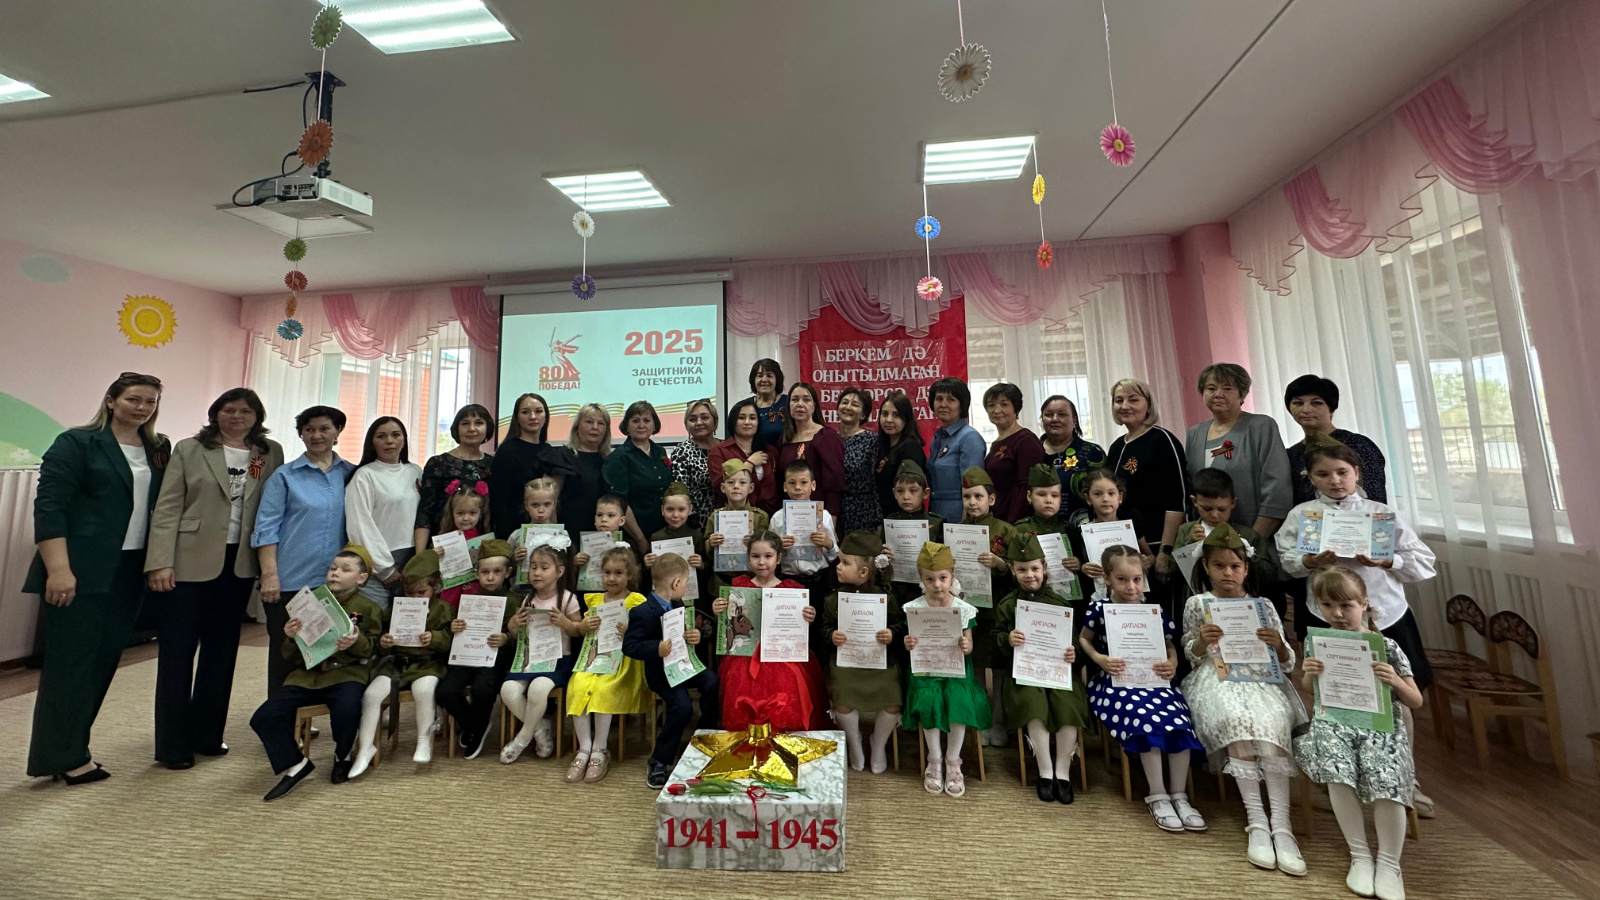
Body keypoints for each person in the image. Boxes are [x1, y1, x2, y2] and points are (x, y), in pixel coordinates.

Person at [25, 372, 169, 784]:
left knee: (103, 662)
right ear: (111, 400)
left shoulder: (158, 448)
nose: (142, 408)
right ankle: (63, 757)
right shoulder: (76, 442)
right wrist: (58, 570)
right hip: (78, 569)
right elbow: (50, 508)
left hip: (130, 569)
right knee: (70, 665)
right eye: (134, 399)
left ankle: (71, 751)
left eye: (150, 402)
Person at [145, 387, 283, 770]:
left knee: (221, 653)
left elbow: (273, 507)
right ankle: (172, 745)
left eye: (245, 411)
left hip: (239, 564)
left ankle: (207, 734)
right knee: (177, 653)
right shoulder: (190, 449)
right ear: (215, 414)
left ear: (257, 417)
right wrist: (160, 562)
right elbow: (167, 507)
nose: (236, 416)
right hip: (187, 562)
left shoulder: (269, 453)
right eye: (229, 409)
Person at [1179, 525, 1308, 875]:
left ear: (1246, 568)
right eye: (1219, 566)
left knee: (1270, 724)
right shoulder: (1198, 604)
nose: (1228, 573)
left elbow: (1287, 662)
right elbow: (1191, 655)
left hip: (1261, 679)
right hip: (1216, 676)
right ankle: (1257, 821)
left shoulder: (1262, 606)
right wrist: (1202, 641)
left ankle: (1281, 824)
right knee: (1236, 720)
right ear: (1206, 567)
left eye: (1235, 566)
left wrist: (1278, 645)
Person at [1296, 567, 1425, 900]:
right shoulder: (1317, 642)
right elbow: (1309, 689)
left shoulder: (1386, 646)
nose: (1337, 614)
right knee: (1337, 773)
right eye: (1327, 606)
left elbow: (1415, 700)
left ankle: (1389, 863)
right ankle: (1360, 855)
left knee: (1387, 778)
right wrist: (1309, 673)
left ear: (1364, 604)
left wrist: (1394, 681)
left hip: (1380, 726)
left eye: (1346, 606)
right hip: (1335, 722)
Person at [1079, 545, 1206, 833]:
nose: (1131, 586)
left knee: (1178, 721)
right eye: (1122, 579)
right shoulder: (1100, 609)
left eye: (1137, 579)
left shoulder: (1153, 611)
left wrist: (1173, 662)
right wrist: (1099, 658)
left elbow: (1169, 643)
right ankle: (1157, 794)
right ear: (1107, 579)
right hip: (1114, 683)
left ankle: (1180, 794)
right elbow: (1084, 638)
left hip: (1155, 681)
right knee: (1145, 719)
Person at [248, 545, 384, 800]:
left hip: (345, 674)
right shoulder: (309, 603)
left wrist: (357, 641)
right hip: (308, 675)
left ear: (361, 578)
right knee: (263, 717)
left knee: (347, 708)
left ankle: (342, 756)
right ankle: (295, 762)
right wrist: (290, 636)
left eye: (345, 570)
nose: (335, 573)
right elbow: (289, 654)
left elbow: (374, 649)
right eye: (333, 568)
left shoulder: (369, 608)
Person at [253, 405, 355, 699]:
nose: (316, 435)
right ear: (301, 434)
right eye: (309, 429)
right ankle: (280, 717)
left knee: (331, 653)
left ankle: (314, 715)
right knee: (286, 655)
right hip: (290, 581)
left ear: (338, 432)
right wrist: (269, 576)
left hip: (335, 583)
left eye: (324, 428)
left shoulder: (351, 474)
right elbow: (265, 529)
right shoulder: (285, 476)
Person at [995, 532, 1089, 804]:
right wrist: (1007, 639)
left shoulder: (1060, 604)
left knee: (1067, 704)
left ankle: (1063, 772)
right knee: (1033, 705)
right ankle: (1045, 771)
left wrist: (1073, 653)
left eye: (1035, 568)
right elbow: (995, 641)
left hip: (1059, 673)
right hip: (1024, 674)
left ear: (1044, 567)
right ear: (1012, 570)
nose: (1030, 575)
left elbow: (1075, 643)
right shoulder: (1007, 605)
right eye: (1022, 569)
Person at [348, 549, 452, 777]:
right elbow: (381, 634)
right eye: (409, 593)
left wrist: (434, 638)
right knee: (372, 695)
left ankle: (423, 739)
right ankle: (365, 747)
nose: (415, 598)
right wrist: (384, 641)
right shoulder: (397, 607)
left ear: (436, 587)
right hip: (396, 664)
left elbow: (449, 640)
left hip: (427, 663)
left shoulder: (443, 609)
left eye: (421, 592)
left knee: (424, 690)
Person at [712, 531, 829, 732]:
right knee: (739, 680)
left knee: (787, 681)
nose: (761, 562)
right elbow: (730, 625)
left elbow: (798, 630)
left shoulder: (792, 589)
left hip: (782, 652)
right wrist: (718, 611)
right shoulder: (739, 587)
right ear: (748, 558)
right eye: (755, 556)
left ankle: (782, 731)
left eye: (768, 556)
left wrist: (807, 618)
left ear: (779, 558)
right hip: (746, 652)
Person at [624, 552, 721, 788]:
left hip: (683, 666)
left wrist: (695, 636)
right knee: (683, 706)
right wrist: (655, 647)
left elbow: (687, 634)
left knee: (712, 681)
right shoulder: (641, 612)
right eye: (685, 583)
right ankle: (659, 760)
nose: (685, 588)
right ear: (676, 583)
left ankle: (704, 734)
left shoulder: (679, 604)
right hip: (661, 675)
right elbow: (629, 646)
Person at [903, 541, 991, 798]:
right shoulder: (915, 608)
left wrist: (966, 645)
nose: (937, 585)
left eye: (943, 578)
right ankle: (934, 758)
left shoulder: (962, 609)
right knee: (929, 700)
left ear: (952, 575)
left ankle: (954, 760)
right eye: (930, 579)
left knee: (958, 700)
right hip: (926, 671)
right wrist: (909, 643)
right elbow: (911, 642)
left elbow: (969, 645)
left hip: (957, 671)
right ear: (921, 579)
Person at [565, 546, 651, 784]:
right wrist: (584, 626)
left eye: (618, 573)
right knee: (578, 684)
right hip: (595, 657)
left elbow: (649, 632)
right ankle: (584, 749)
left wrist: (631, 631)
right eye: (607, 573)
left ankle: (600, 750)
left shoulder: (636, 601)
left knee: (604, 689)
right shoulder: (595, 600)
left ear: (629, 575)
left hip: (624, 661)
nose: (611, 578)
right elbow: (582, 631)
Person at [820, 532, 903, 774]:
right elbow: (824, 627)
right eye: (840, 560)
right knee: (843, 695)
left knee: (892, 698)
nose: (838, 566)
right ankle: (854, 741)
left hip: (879, 661)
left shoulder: (886, 598)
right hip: (846, 662)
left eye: (845, 562)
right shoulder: (834, 599)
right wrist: (831, 635)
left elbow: (900, 625)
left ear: (864, 571)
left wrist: (891, 633)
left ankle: (878, 743)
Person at [499, 534, 584, 765]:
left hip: (558, 659)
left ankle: (522, 739)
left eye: (544, 568)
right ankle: (539, 727)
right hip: (530, 659)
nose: (537, 573)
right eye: (533, 567)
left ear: (559, 572)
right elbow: (517, 636)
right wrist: (513, 625)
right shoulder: (527, 599)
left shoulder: (567, 599)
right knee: (508, 690)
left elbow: (579, 631)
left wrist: (565, 623)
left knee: (538, 689)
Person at [1183, 363, 1292, 538]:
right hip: (1209, 540)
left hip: (1254, 536)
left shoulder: (1261, 426)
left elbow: (1277, 489)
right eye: (1211, 388)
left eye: (1227, 388)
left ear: (1242, 394)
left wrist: (1251, 541)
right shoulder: (1194, 433)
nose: (1218, 394)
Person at [436, 539, 518, 759]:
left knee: (483, 689)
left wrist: (506, 638)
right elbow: (457, 633)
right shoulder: (467, 601)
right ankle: (475, 726)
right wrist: (455, 628)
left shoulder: (514, 601)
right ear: (476, 573)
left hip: (496, 659)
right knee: (445, 691)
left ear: (508, 572)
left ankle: (474, 729)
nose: (490, 577)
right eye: (485, 572)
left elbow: (521, 638)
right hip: (467, 656)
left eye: (497, 571)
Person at [1105, 378, 1188, 580]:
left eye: (1133, 400)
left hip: (1157, 546)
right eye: (1119, 400)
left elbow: (1177, 500)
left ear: (1148, 406)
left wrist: (1165, 552)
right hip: (1126, 547)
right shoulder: (1116, 447)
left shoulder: (1162, 440)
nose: (1125, 406)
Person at [956, 466, 1013, 747]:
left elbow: (1021, 571)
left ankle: (999, 720)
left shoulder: (1005, 530)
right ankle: (981, 720)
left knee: (999, 670)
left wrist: (1000, 564)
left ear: (991, 499)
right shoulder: (954, 531)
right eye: (967, 497)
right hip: (969, 612)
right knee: (975, 667)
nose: (972, 502)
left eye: (978, 496)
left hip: (996, 611)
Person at [344, 416, 422, 610]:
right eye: (381, 436)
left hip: (412, 557)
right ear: (372, 442)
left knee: (408, 620)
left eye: (396, 435)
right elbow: (359, 525)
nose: (389, 441)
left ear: (404, 440)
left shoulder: (415, 471)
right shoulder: (364, 475)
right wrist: (385, 569)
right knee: (376, 618)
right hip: (378, 562)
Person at [1174, 469, 1279, 603]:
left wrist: (1246, 552)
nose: (1214, 515)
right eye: (1207, 508)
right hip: (1199, 602)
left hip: (1241, 602)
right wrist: (1189, 544)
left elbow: (1270, 575)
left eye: (1221, 509)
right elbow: (1171, 572)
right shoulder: (1186, 531)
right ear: (1194, 502)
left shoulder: (1248, 535)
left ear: (1233, 503)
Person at [1283, 375, 1388, 505]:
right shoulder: (1291, 454)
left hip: (1357, 516)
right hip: (1305, 517)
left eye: (1316, 403)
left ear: (1331, 409)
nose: (1306, 409)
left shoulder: (1358, 444)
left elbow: (1374, 496)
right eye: (1298, 403)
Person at [489, 392, 576, 537]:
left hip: (545, 531)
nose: (533, 416)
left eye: (538, 411)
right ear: (517, 417)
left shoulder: (548, 450)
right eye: (525, 412)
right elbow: (499, 500)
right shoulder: (507, 451)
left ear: (546, 416)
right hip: (514, 532)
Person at [413, 404, 494, 552]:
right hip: (442, 547)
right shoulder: (439, 463)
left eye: (478, 423)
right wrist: (421, 557)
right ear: (456, 429)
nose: (472, 428)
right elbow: (425, 512)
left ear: (487, 428)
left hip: (483, 547)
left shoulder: (493, 464)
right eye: (465, 423)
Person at [603, 400, 675, 545]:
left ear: (654, 425)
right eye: (635, 420)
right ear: (626, 425)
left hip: (664, 533)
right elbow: (620, 503)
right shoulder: (619, 457)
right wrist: (640, 539)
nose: (641, 425)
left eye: (646, 420)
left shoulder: (660, 452)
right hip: (635, 536)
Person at [769, 460, 838, 606]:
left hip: (817, 580)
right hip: (788, 579)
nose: (798, 487)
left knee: (816, 617)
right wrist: (778, 546)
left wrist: (828, 543)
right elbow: (769, 555)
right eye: (792, 483)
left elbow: (833, 556)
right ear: (785, 486)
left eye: (804, 482)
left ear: (813, 485)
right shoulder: (777, 518)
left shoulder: (824, 516)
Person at [878, 460, 944, 612]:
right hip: (896, 588)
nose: (906, 496)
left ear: (925, 493)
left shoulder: (937, 523)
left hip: (926, 591)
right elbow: (879, 561)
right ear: (894, 493)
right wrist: (883, 559)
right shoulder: (889, 523)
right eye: (900, 491)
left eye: (913, 491)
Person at [775, 383, 846, 519]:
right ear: (788, 405)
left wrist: (832, 518)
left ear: (814, 406)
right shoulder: (784, 440)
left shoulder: (826, 436)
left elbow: (835, 483)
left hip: (820, 515)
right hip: (790, 515)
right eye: (795, 399)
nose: (800, 404)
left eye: (806, 400)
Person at [982, 382, 1047, 522]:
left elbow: (1025, 488)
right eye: (991, 405)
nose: (996, 410)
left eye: (1004, 404)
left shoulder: (1026, 440)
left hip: (1016, 522)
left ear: (1016, 408)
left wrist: (1013, 524)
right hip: (996, 519)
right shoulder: (997, 442)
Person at [1012, 463, 1079, 596]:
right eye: (1041, 494)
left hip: (1065, 596)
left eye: (1055, 495)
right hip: (1031, 596)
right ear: (1029, 496)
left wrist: (1078, 564)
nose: (1048, 500)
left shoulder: (1069, 530)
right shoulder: (1020, 529)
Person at [925, 377, 986, 523]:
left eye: (950, 400)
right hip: (936, 514)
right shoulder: (938, 438)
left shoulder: (969, 437)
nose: (943, 404)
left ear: (962, 404)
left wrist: (965, 524)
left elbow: (972, 487)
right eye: (939, 399)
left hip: (959, 516)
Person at [643, 482, 709, 608]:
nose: (675, 515)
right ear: (662, 510)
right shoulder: (656, 538)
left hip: (692, 599)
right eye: (670, 509)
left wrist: (701, 565)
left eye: (681, 509)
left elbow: (707, 572)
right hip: (663, 600)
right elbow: (648, 578)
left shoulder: (696, 536)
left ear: (690, 510)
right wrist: (647, 565)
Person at [1039, 394, 1106, 517]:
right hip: (1037, 526)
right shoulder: (1030, 451)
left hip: (1082, 524)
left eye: (1062, 414)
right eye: (1048, 414)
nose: (1055, 419)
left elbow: (1105, 494)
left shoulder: (1092, 452)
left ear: (1074, 420)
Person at [559, 402, 613, 546]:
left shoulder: (610, 461)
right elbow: (551, 500)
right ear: (577, 427)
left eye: (601, 423)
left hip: (603, 535)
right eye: (589, 422)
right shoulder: (564, 456)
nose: (595, 427)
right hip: (569, 536)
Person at [710, 399, 778, 511]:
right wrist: (749, 464)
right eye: (741, 418)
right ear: (733, 421)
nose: (747, 422)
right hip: (734, 515)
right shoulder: (718, 452)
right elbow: (720, 487)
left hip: (768, 516)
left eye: (752, 418)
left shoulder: (770, 451)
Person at [705, 460, 771, 573]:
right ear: (722, 488)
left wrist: (755, 543)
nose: (736, 486)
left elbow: (769, 549)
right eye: (730, 482)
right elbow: (707, 551)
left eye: (742, 482)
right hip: (722, 577)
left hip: (752, 576)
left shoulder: (760, 517)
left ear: (751, 488)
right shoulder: (715, 517)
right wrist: (710, 543)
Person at [835, 386, 884, 536]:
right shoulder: (830, 439)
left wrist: (878, 519)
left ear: (863, 414)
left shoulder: (871, 440)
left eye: (855, 404)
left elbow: (877, 481)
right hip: (835, 511)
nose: (848, 407)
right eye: (845, 402)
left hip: (863, 513)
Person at [434, 479, 489, 607]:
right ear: (452, 512)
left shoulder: (484, 540)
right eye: (460, 513)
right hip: (450, 592)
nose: (466, 518)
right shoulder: (443, 540)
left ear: (480, 513)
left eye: (472, 513)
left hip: (475, 592)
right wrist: (434, 555)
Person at [874, 390, 927, 518]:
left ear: (906, 419)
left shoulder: (910, 449)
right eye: (884, 414)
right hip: (887, 518)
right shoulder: (883, 447)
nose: (889, 420)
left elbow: (913, 493)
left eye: (896, 415)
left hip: (905, 520)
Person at [668, 398, 719, 529]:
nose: (699, 423)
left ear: (715, 421)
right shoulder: (682, 451)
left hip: (729, 516)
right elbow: (681, 492)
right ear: (686, 425)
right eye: (692, 419)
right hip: (697, 521)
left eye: (705, 417)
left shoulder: (725, 447)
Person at [747, 358, 788, 451]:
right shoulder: (743, 407)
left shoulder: (788, 403)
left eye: (769, 375)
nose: (764, 380)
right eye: (759, 375)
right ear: (753, 380)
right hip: (750, 458)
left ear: (777, 379)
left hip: (783, 457)